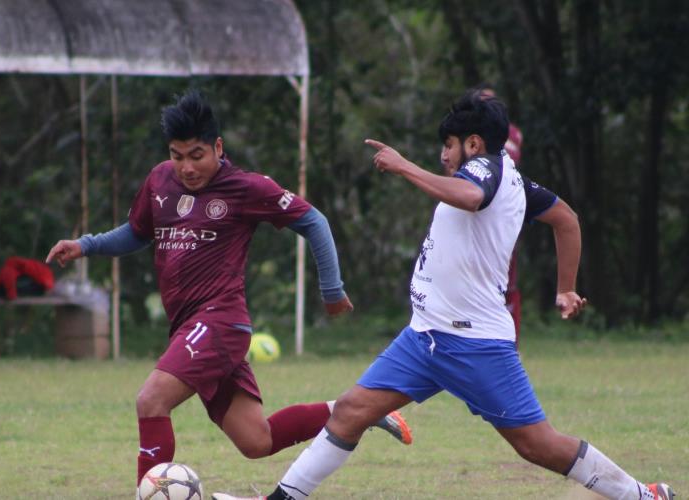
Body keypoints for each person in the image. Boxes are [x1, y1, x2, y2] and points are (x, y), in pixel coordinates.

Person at [212, 90, 674, 499]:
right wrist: (566, 288)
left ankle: (643, 495)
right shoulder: (512, 180)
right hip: (425, 337)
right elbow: (567, 219)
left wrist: (402, 165)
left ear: (473, 143)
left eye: (448, 145)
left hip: (474, 345)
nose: (443, 155)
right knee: (351, 411)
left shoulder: (486, 169)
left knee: (538, 444)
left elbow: (474, 197)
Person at [45, 90, 412, 491]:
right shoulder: (159, 180)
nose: (186, 167)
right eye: (177, 154)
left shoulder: (246, 188)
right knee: (258, 441)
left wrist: (332, 289)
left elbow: (314, 221)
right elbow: (136, 233)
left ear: (218, 147)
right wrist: (86, 245)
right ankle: (357, 412)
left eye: (197, 155)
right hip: (189, 327)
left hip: (219, 323)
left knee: (151, 400)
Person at [477, 83, 524, 343]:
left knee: (506, 279)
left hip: (501, 215)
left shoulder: (510, 134)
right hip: (472, 214)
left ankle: (508, 342)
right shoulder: (465, 135)